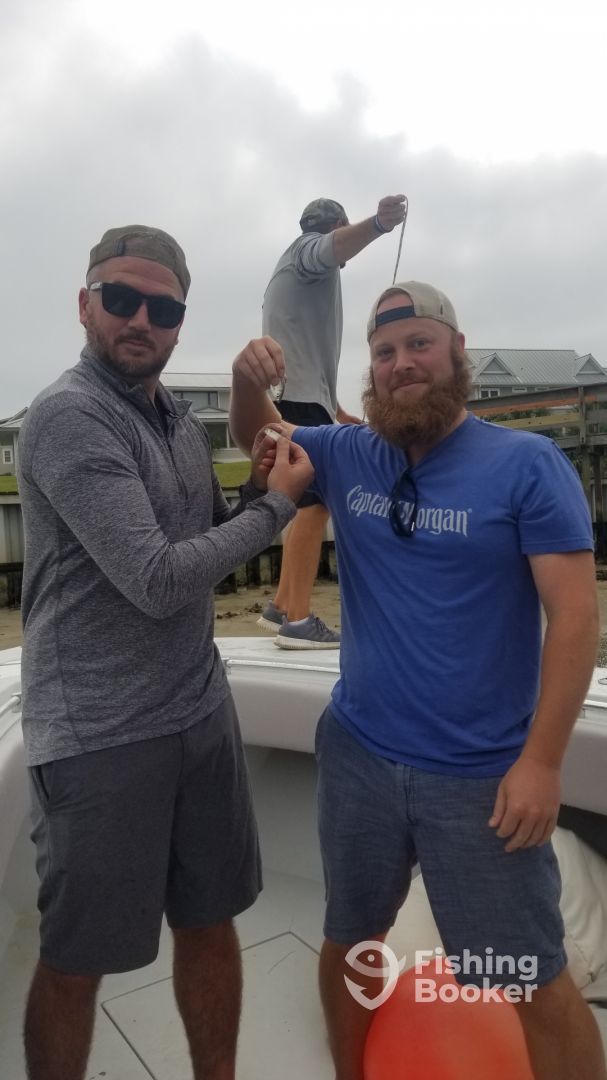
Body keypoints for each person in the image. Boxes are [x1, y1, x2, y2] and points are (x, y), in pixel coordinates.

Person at [229, 281, 606, 1080]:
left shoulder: (526, 465)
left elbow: (575, 618)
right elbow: (261, 440)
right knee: (352, 938)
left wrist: (541, 763)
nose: (400, 364)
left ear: (457, 352)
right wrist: (244, 381)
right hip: (358, 754)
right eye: (383, 353)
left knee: (526, 975)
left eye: (418, 345)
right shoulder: (345, 452)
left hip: (480, 775)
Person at [17, 225, 313, 1080]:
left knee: (211, 920)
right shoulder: (68, 416)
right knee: (77, 960)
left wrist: (255, 486)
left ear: (181, 321)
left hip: (197, 707)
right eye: (121, 299)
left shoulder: (177, 420)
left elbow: (206, 536)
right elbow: (156, 579)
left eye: (164, 308)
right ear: (85, 305)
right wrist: (281, 506)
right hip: (100, 733)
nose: (140, 319)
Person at [257, 194, 407, 649]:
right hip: (298, 403)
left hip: (304, 401)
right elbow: (332, 246)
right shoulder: (307, 253)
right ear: (336, 225)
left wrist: (337, 411)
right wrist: (378, 224)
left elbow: (304, 355)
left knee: (308, 504)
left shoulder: (298, 273)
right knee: (314, 506)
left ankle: (281, 606)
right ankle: (299, 621)